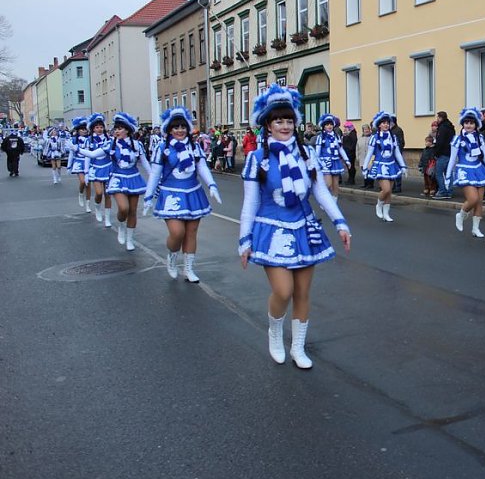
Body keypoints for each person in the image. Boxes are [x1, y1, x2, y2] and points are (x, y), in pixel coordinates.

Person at [238, 84, 351, 368]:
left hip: (303, 227)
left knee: (302, 293)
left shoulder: (306, 154)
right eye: (279, 120)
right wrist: (244, 240)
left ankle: (298, 348)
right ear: (267, 124)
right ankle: (275, 332)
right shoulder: (258, 158)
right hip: (270, 229)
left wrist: (340, 222)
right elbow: (250, 203)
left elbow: (321, 192)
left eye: (289, 120)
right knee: (283, 291)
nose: (285, 126)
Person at [143, 107, 222, 282]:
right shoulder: (162, 148)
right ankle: (172, 256)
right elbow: (155, 174)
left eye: (183, 127)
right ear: (169, 129)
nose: (180, 130)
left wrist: (212, 185)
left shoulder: (194, 146)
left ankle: (189, 269)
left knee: (191, 232)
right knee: (177, 232)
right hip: (171, 194)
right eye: (175, 127)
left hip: (193, 192)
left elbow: (201, 167)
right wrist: (148, 196)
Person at [79, 113, 151, 251]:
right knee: (124, 208)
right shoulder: (110, 144)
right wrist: (76, 149)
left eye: (120, 128)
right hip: (118, 178)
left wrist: (154, 179)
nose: (117, 131)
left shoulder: (137, 145)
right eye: (115, 128)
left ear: (128, 130)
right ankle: (121, 226)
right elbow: (93, 154)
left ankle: (130, 239)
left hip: (134, 178)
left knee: (133, 211)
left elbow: (146, 164)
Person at [445, 107, 485, 238]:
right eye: (466, 123)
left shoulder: (479, 138)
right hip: (464, 169)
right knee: (473, 199)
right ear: (463, 124)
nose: (469, 125)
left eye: (471, 123)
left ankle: (476, 228)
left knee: (479, 201)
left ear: (476, 125)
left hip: (479, 169)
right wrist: (448, 176)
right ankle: (461, 214)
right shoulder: (458, 140)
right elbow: (452, 159)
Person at [361, 111, 407, 222]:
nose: (386, 125)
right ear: (379, 125)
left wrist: (403, 166)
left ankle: (386, 213)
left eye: (387, 123)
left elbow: (397, 153)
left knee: (389, 191)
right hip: (380, 165)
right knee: (385, 190)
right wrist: (365, 167)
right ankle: (379, 204)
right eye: (383, 123)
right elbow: (369, 154)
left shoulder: (393, 137)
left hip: (391, 165)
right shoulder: (375, 138)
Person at [83, 114, 114, 227]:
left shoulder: (110, 139)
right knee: (99, 193)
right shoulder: (89, 140)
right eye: (97, 127)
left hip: (108, 167)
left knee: (108, 194)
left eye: (101, 127)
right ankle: (97, 207)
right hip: (95, 168)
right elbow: (88, 156)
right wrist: (86, 172)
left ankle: (108, 218)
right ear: (93, 129)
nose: (99, 129)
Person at [315, 113, 351, 199]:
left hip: (335, 161)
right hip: (325, 162)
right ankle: (324, 198)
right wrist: (316, 163)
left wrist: (347, 160)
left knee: (336, 184)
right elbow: (317, 151)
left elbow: (340, 149)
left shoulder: (336, 136)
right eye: (327, 124)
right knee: (328, 183)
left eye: (331, 124)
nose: (329, 126)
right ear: (323, 126)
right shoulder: (321, 137)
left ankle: (334, 201)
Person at [432, 111, 455, 199]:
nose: (437, 119)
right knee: (448, 173)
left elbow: (440, 142)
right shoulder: (450, 127)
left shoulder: (442, 128)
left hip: (442, 153)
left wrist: (436, 153)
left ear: (441, 118)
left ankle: (442, 191)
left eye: (438, 117)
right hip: (450, 153)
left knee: (439, 173)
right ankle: (449, 191)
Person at [390, 115, 406, 194]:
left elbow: (401, 143)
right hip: (390, 154)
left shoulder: (398, 130)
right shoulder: (389, 130)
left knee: (397, 170)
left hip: (396, 154)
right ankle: (392, 186)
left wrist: (397, 152)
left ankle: (398, 186)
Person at [356, 124, 373, 189]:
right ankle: (365, 183)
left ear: (369, 130)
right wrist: (357, 157)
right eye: (364, 129)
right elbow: (357, 148)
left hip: (369, 158)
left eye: (367, 129)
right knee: (364, 171)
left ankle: (370, 184)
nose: (366, 130)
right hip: (362, 158)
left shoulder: (372, 138)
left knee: (369, 171)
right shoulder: (360, 139)